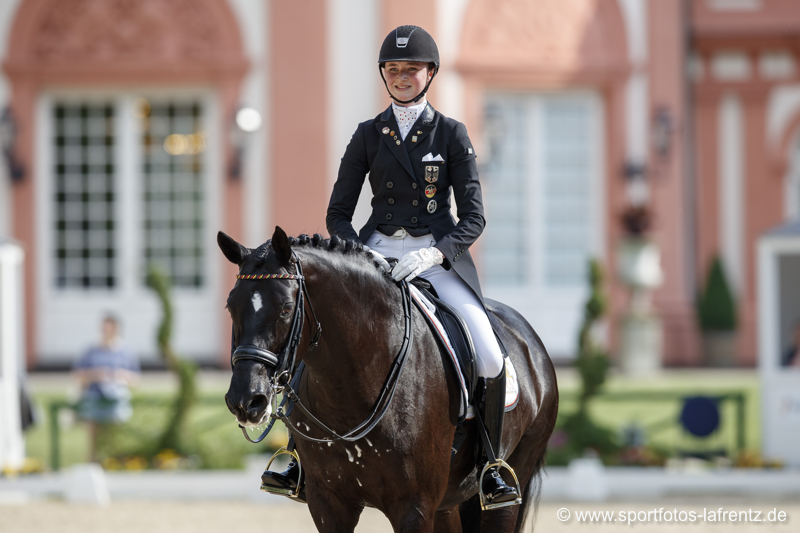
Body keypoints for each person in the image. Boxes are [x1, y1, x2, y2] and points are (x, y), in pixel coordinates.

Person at [262, 25, 519, 507]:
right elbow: (338, 212)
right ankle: (297, 459)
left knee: (487, 350)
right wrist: (362, 255)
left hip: (433, 256)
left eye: (411, 69)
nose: (401, 77)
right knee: (315, 335)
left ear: (430, 74)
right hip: (376, 255)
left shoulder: (451, 134)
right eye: (393, 70)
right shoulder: (367, 135)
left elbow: (475, 215)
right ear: (384, 75)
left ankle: (491, 465)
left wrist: (437, 252)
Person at [73, 314, 140, 461]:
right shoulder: (91, 351)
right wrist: (95, 375)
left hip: (116, 399)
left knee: (115, 436)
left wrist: (120, 376)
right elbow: (78, 375)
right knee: (93, 437)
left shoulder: (126, 352)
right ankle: (93, 462)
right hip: (94, 397)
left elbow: (136, 379)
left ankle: (115, 461)